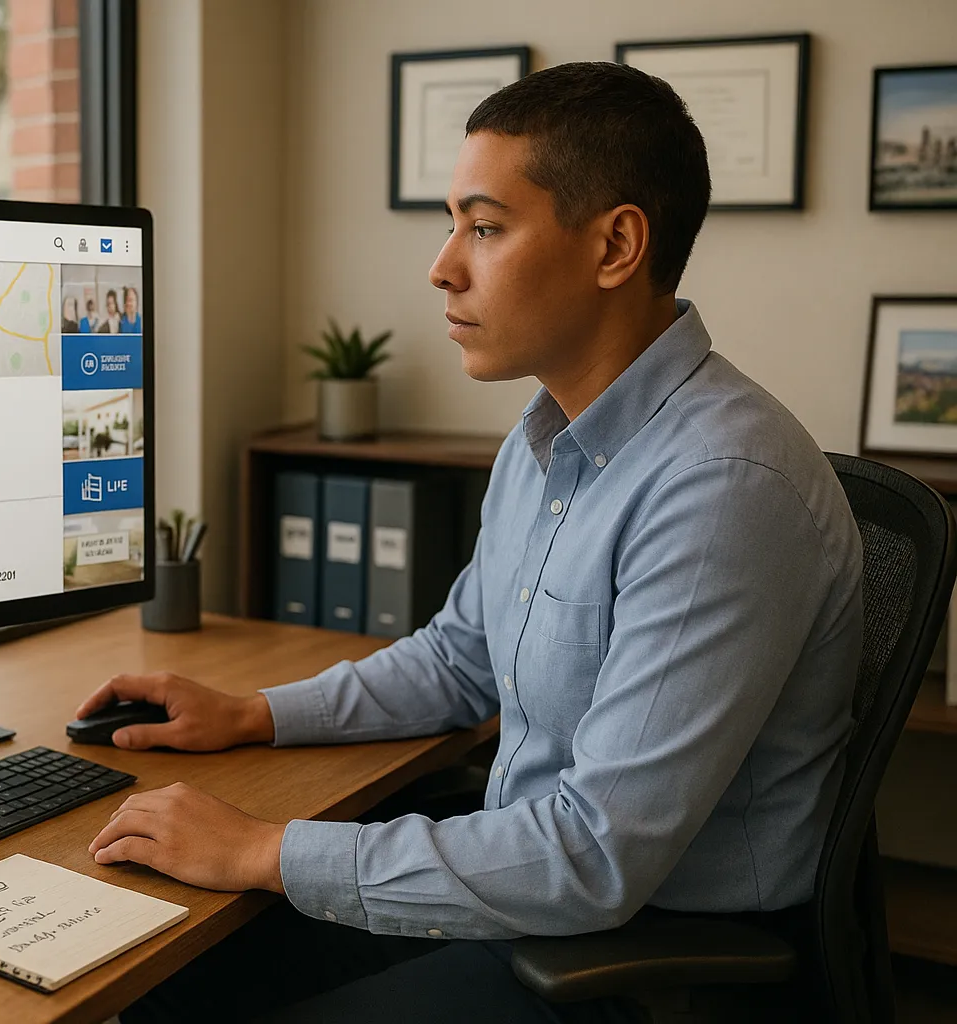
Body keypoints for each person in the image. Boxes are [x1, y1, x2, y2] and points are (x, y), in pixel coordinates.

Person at [79, 61, 863, 1023]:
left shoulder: (723, 487)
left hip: (649, 952)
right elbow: (459, 660)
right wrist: (249, 714)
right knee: (173, 974)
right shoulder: (547, 438)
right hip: (526, 880)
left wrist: (260, 848)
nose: (443, 266)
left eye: (484, 228)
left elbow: (596, 858)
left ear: (616, 246)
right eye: (453, 225)